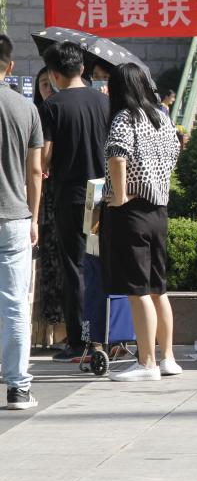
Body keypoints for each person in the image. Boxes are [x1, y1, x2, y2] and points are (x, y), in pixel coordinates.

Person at [102, 63, 181, 382]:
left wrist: (121, 195)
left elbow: (117, 156)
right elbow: (175, 154)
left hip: (132, 213)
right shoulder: (162, 117)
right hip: (158, 211)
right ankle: (168, 358)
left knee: (138, 291)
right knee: (158, 288)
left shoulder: (125, 117)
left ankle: (147, 362)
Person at [39, 42, 109, 362]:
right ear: (82, 68)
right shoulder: (104, 102)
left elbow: (44, 157)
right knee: (97, 264)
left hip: (70, 197)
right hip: (100, 195)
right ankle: (102, 336)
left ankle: (79, 341)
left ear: (54, 74)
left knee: (74, 267)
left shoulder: (52, 106)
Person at [0, 34, 43, 410]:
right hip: (14, 217)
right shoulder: (26, 108)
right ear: (10, 66)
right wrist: (34, 216)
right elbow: (34, 171)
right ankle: (18, 387)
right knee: (15, 305)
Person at [31, 69, 65, 342]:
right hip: (40, 196)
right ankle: (44, 333)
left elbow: (42, 161)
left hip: (54, 194)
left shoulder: (57, 113)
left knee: (57, 262)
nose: (48, 89)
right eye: (43, 84)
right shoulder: (35, 114)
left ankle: (60, 330)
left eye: (51, 83)